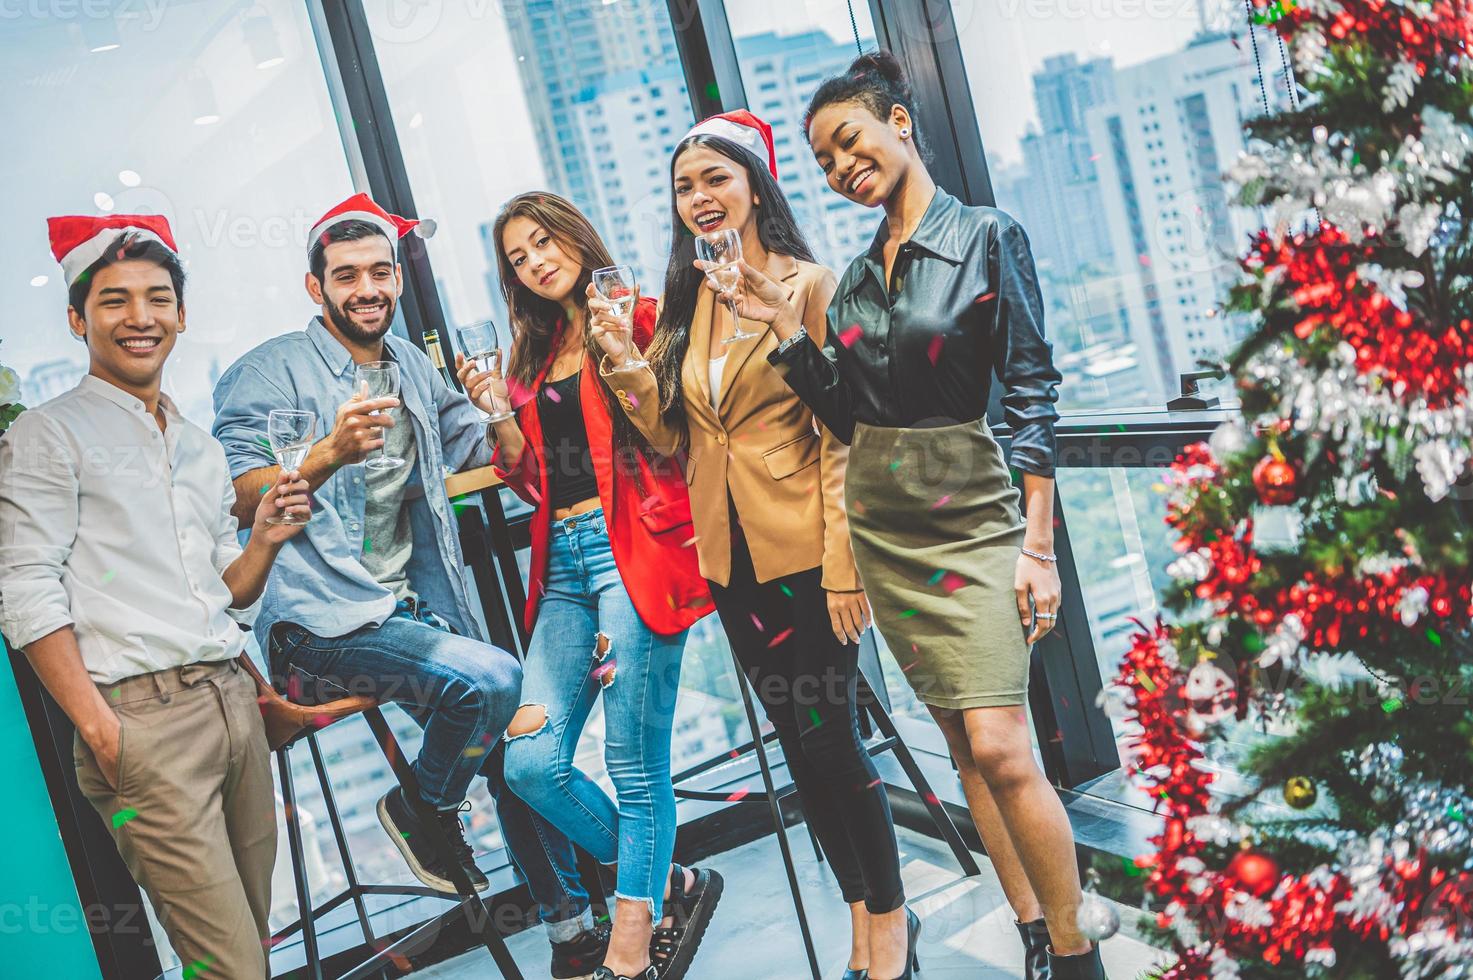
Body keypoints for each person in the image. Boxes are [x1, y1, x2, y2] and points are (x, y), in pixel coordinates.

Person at [731, 53, 1108, 980]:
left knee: (1000, 745)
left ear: (898, 123)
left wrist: (1037, 546)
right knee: (959, 745)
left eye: (847, 142)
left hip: (972, 513)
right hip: (885, 525)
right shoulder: (855, 278)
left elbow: (1029, 390)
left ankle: (1074, 953)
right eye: (821, 161)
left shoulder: (985, 235)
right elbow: (846, 417)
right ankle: (1028, 923)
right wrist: (784, 332)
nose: (837, 167)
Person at [210, 193, 608, 977]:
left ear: (396, 279)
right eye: (346, 275)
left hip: (412, 615)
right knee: (492, 680)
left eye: (380, 272)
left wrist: (497, 409)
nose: (368, 289)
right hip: (317, 635)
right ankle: (423, 806)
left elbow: (477, 444)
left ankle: (571, 935)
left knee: (511, 728)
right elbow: (235, 490)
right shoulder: (269, 372)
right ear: (314, 286)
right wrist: (326, 453)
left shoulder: (410, 368)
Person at [588, 110, 911, 980]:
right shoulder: (692, 300)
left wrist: (847, 570)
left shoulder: (810, 285)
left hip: (812, 556)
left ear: (756, 185)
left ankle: (891, 931)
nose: (698, 198)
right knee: (799, 746)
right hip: (732, 561)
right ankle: (857, 919)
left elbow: (845, 435)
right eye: (684, 186)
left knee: (833, 740)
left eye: (715, 180)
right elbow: (668, 437)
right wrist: (622, 356)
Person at [0, 214, 309, 979]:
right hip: (142, 728)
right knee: (230, 965)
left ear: (180, 313)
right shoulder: (46, 436)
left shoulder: (197, 445)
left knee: (250, 949)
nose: (140, 317)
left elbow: (224, 599)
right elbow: (25, 588)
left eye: (157, 298)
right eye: (114, 300)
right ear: (78, 318)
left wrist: (263, 540)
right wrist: (104, 734)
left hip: (233, 707)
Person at [471, 190, 720, 980]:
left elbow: (676, 431)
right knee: (529, 763)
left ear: (576, 240)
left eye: (544, 242)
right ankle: (668, 883)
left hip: (635, 555)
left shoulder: (639, 316)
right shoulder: (532, 358)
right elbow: (534, 483)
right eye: (517, 256)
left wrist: (626, 354)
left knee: (633, 762)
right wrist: (499, 417)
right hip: (566, 570)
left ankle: (628, 948)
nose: (536, 261)